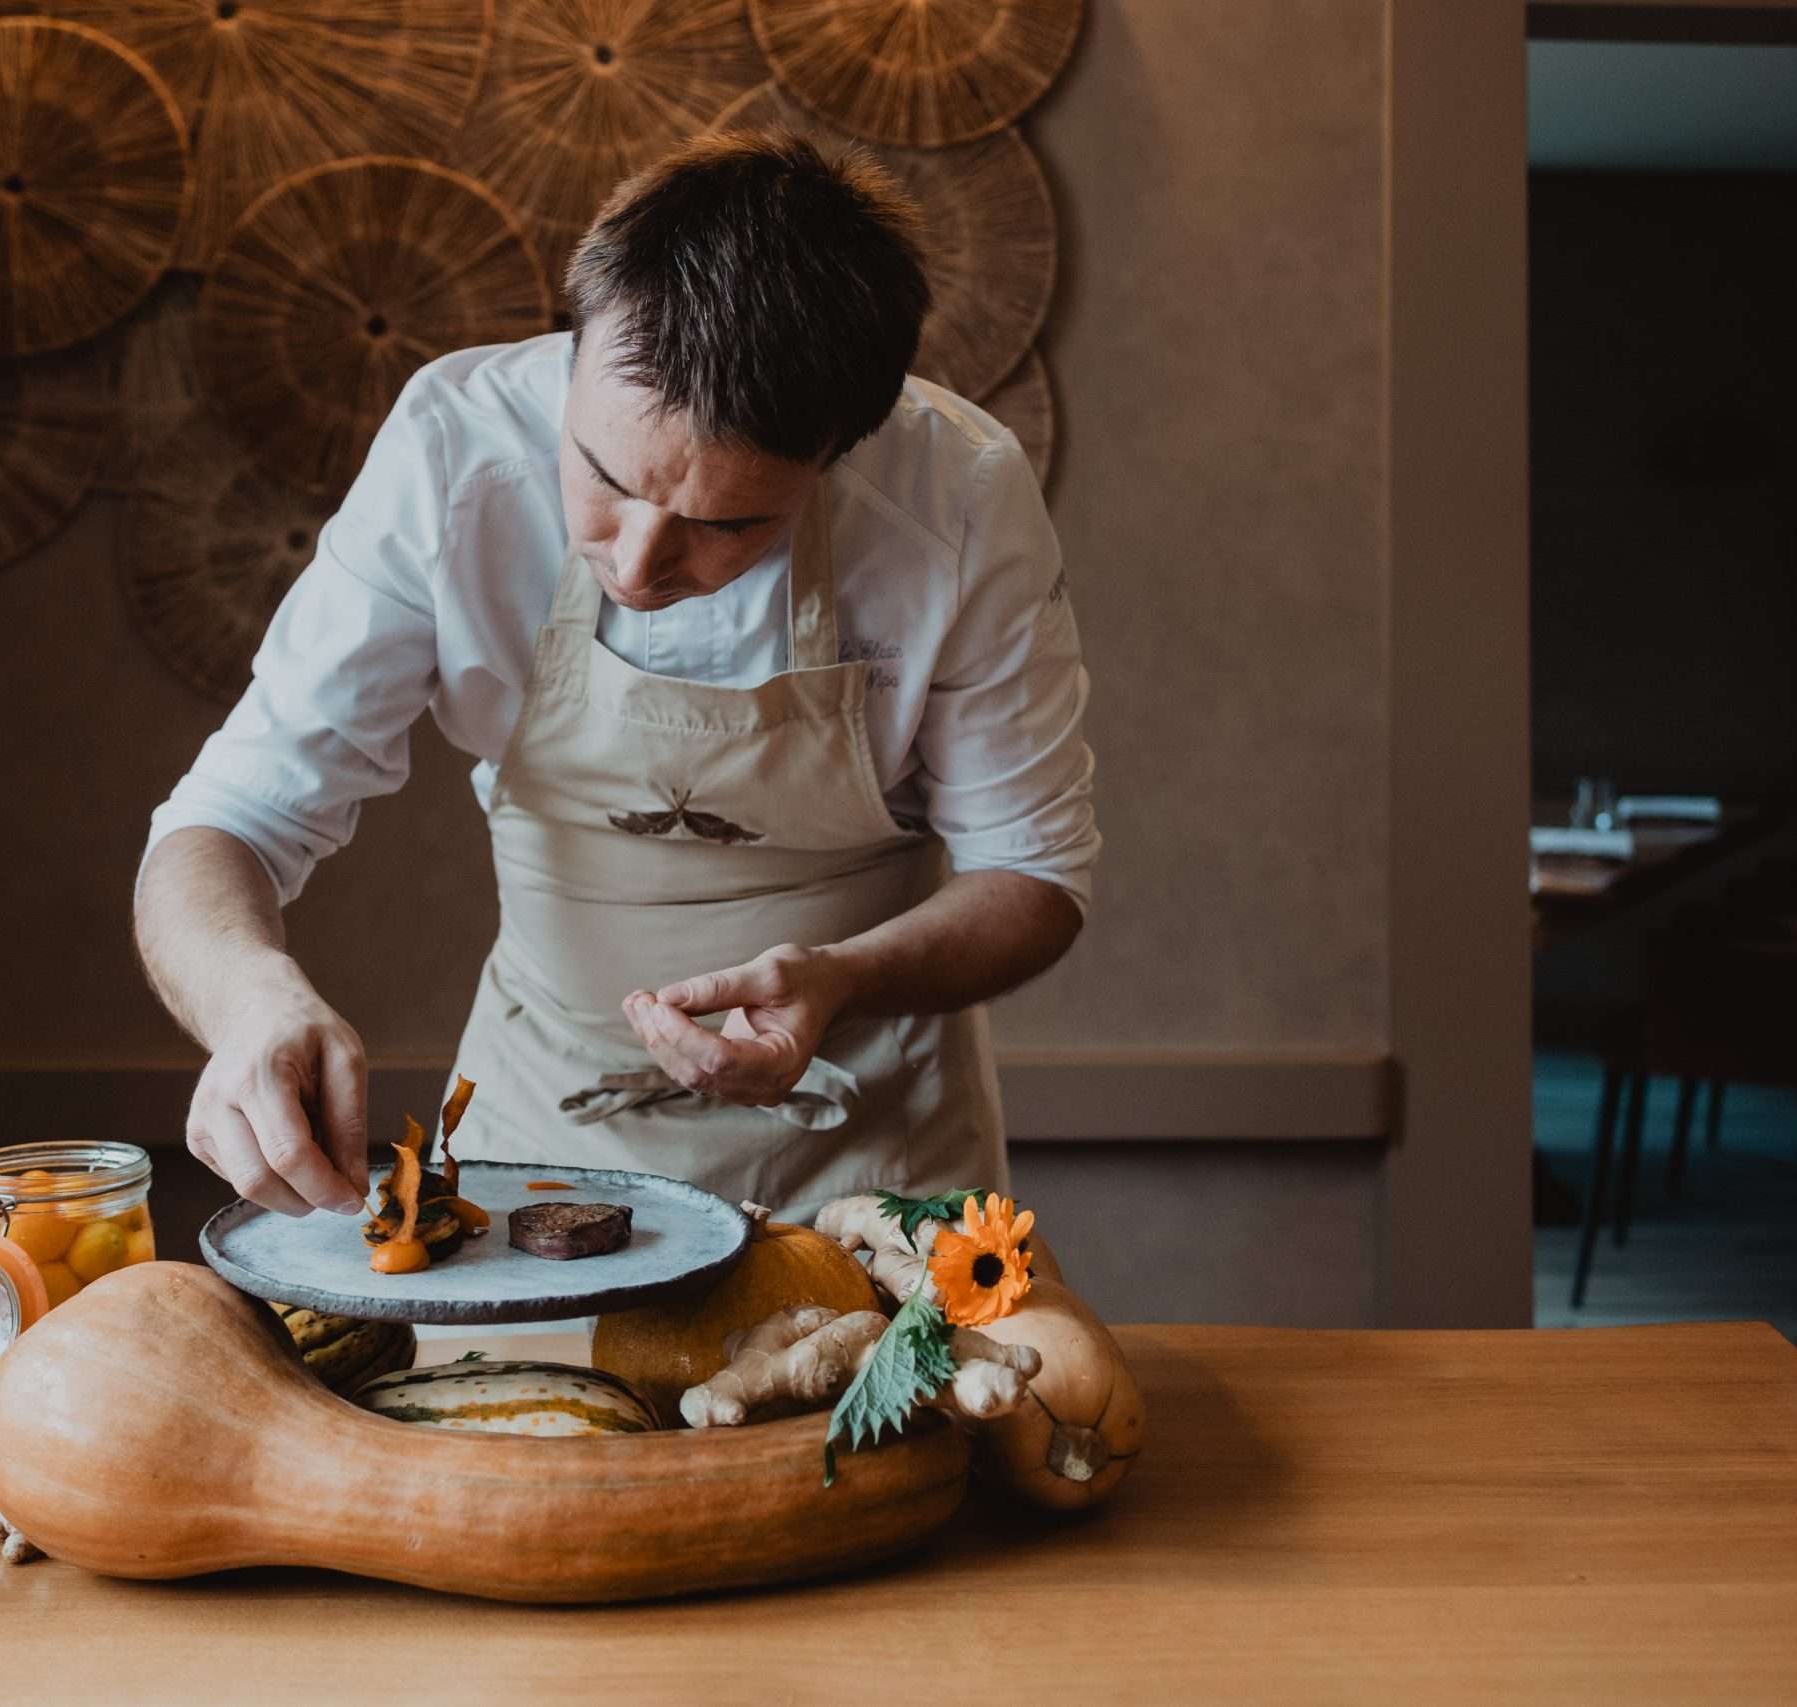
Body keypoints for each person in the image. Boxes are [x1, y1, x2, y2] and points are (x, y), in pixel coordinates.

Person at [135, 131, 1097, 1226]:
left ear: (840, 450)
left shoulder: (957, 497)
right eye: (602, 476)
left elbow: (1033, 875)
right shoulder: (451, 453)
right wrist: (249, 1000)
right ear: (577, 339)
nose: (637, 565)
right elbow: (230, 817)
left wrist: (843, 979)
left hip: (872, 1143)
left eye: (727, 524)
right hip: (538, 1130)